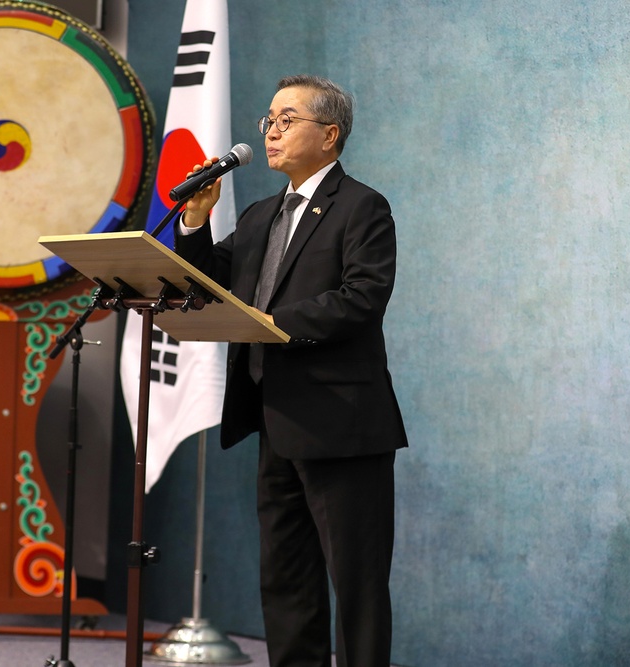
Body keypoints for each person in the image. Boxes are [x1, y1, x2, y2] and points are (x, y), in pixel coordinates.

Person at [174, 74, 408, 667]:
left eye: (287, 119)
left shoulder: (362, 206)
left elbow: (362, 297)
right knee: (286, 579)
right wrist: (195, 224)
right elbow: (205, 284)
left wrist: (269, 319)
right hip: (273, 418)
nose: (271, 131)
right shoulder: (257, 216)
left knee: (355, 585)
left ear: (329, 135)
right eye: (268, 120)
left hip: (341, 424)